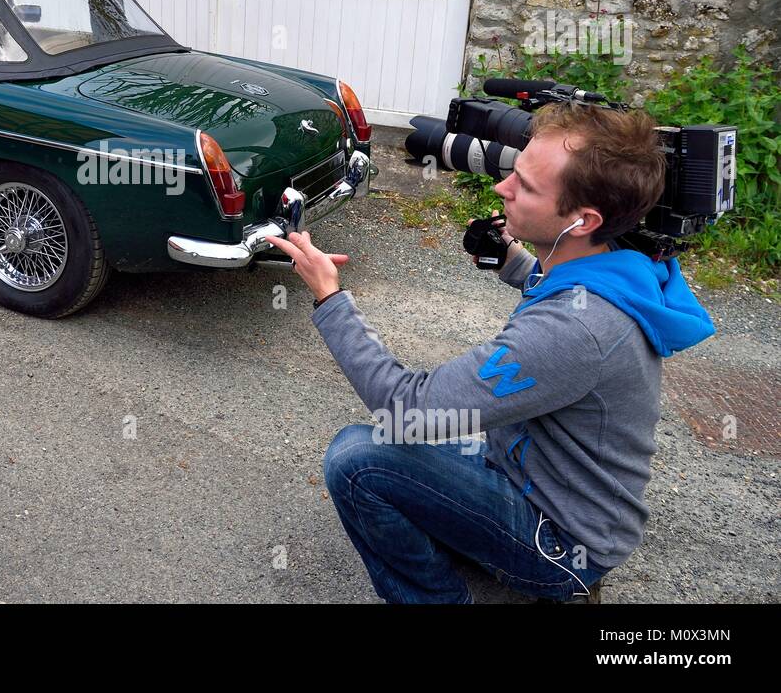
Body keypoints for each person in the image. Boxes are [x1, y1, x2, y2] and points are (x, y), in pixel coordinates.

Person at [265, 102, 715, 603]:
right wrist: (515, 262)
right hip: (539, 479)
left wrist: (329, 297)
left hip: (561, 542)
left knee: (358, 458)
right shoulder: (623, 267)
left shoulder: (577, 328)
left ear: (583, 220)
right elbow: (566, 290)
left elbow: (404, 409)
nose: (502, 188)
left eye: (525, 186)